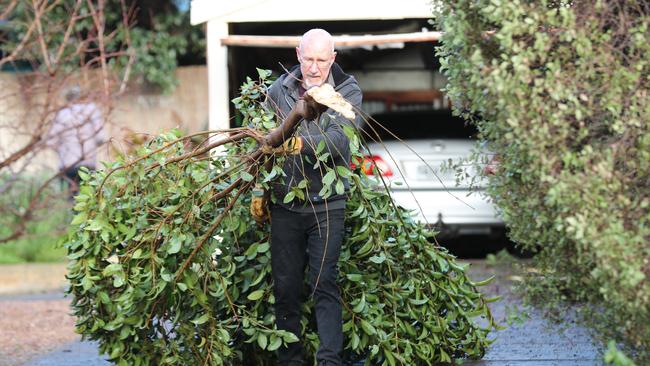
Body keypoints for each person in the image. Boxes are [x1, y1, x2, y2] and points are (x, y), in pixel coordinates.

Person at [257, 28, 363, 366]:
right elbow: (262, 147)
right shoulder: (278, 90)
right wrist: (259, 188)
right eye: (308, 60)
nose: (314, 67)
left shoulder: (347, 91)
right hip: (286, 204)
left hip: (328, 205)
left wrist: (301, 143)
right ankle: (291, 361)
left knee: (323, 283)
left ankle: (330, 361)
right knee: (286, 289)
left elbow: (341, 141)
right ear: (298, 55)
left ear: (332, 59)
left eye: (321, 60)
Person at [49, 86, 106, 198]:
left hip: (67, 166)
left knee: (70, 203)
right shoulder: (92, 110)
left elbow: (51, 141)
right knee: (89, 201)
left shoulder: (62, 113)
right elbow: (101, 138)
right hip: (88, 164)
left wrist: (63, 151)